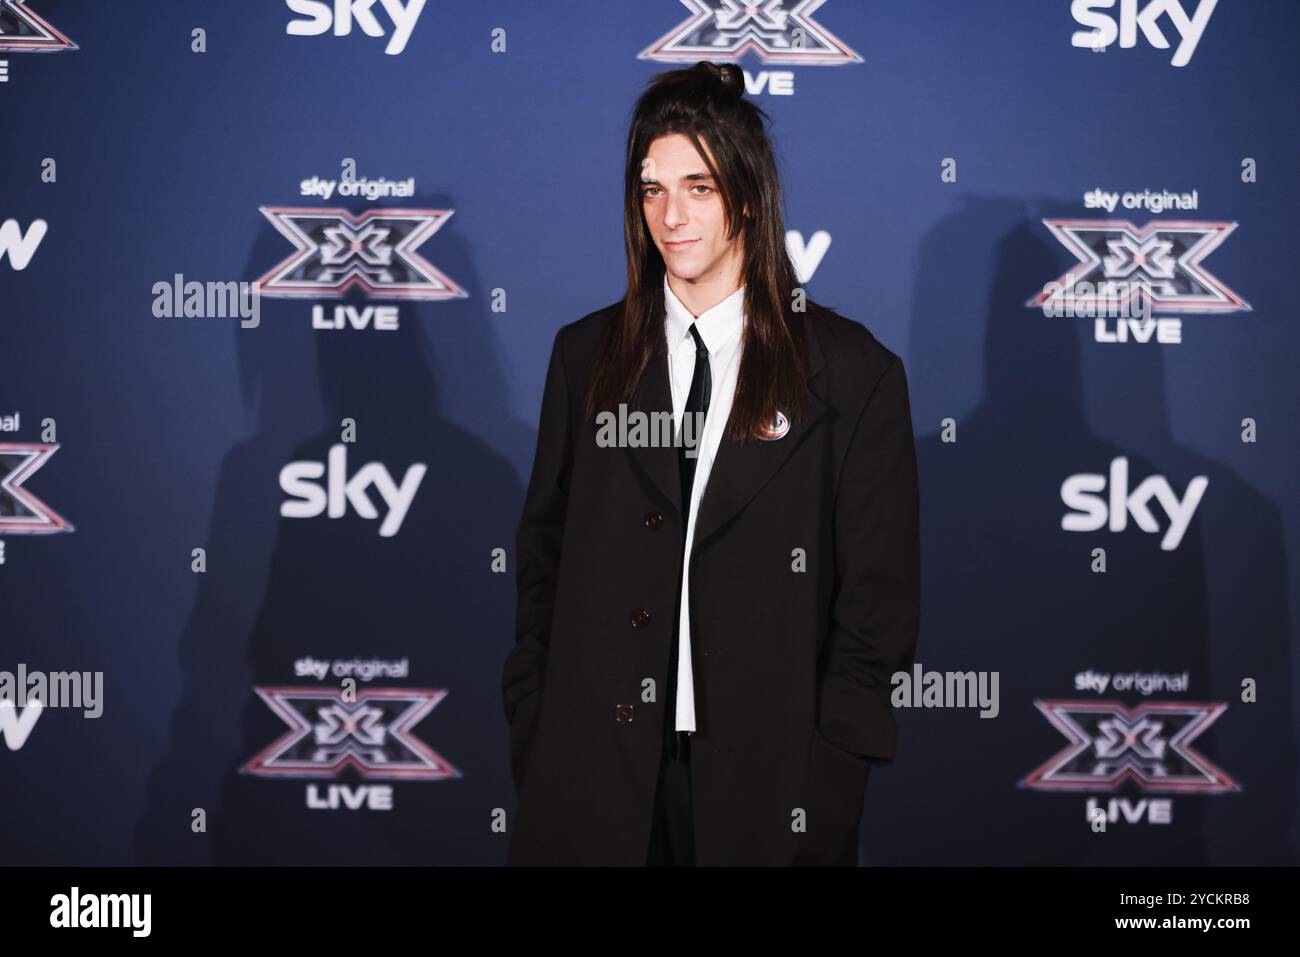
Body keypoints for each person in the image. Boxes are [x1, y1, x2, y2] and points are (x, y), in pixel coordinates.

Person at [502, 61, 920, 866]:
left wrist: (830, 771)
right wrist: (537, 722)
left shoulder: (854, 373)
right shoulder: (583, 357)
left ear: (749, 197)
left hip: (774, 797)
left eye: (698, 186)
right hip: (592, 784)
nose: (671, 214)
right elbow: (543, 560)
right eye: (651, 188)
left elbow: (879, 608)